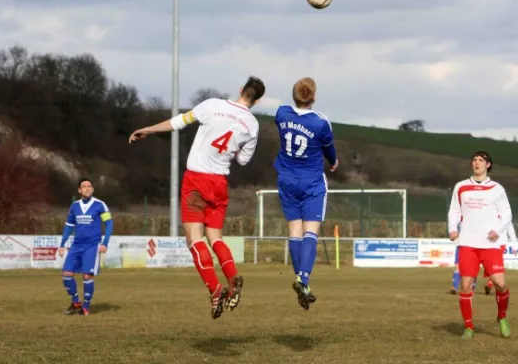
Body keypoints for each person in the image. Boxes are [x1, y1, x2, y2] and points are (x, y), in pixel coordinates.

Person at [128, 76, 265, 319]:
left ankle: (215, 290)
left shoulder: (211, 105)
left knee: (194, 239)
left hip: (196, 180)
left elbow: (178, 122)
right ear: (257, 100)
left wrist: (147, 129)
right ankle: (233, 278)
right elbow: (243, 160)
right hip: (220, 182)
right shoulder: (252, 125)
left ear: (241, 89)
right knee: (215, 237)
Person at [273, 77, 338, 310]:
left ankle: (301, 282)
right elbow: (328, 149)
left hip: (287, 179)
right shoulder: (321, 122)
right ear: (314, 97)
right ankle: (303, 279)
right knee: (311, 231)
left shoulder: (281, 113)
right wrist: (334, 161)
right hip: (311, 181)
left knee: (294, 230)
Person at [448, 150, 512, 339]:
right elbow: (454, 211)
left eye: (481, 160)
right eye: (474, 160)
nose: (477, 163)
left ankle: (502, 317)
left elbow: (507, 214)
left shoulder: (497, 188)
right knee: (466, 285)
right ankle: (468, 327)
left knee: (500, 284)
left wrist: (498, 230)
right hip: (467, 242)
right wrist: (452, 228)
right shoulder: (461, 187)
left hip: (490, 244)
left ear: (488, 165)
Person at [59, 178, 114, 316]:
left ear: (93, 189)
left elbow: (109, 224)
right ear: (79, 190)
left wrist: (105, 243)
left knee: (87, 275)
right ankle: (76, 302)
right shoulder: (74, 206)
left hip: (92, 245)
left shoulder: (100, 205)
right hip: (76, 245)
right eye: (84, 186)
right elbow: (68, 226)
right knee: (66, 274)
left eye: (89, 186)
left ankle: (86, 307)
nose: (87, 188)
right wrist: (62, 244)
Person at [449, 221, 517, 295]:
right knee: (466, 267)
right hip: (470, 244)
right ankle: (456, 288)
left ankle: (487, 285)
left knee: (493, 271)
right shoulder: (466, 212)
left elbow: (510, 227)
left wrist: (514, 245)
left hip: (495, 244)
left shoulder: (503, 214)